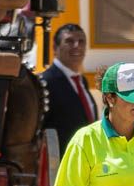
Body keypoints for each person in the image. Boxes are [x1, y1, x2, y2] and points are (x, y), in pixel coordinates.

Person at [39, 23, 97, 154]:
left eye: (81, 42)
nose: (77, 46)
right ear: (55, 47)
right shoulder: (45, 82)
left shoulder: (81, 81)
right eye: (69, 41)